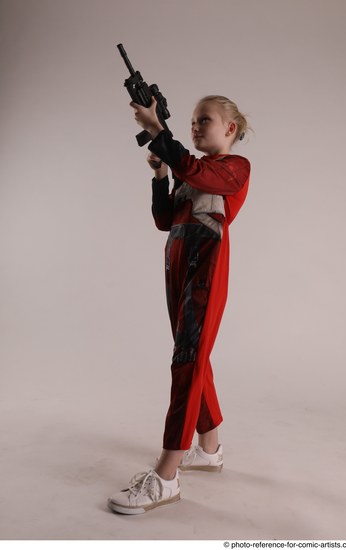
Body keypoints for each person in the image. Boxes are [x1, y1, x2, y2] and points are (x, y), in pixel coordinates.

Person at [108, 95, 251, 515]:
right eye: (191, 121)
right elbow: (164, 219)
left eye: (203, 120)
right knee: (193, 356)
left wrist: (158, 130)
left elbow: (193, 167)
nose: (194, 126)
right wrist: (159, 175)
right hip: (178, 263)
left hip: (205, 266)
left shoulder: (234, 168)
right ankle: (209, 449)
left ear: (229, 129)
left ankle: (167, 474)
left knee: (187, 358)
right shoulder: (193, 172)